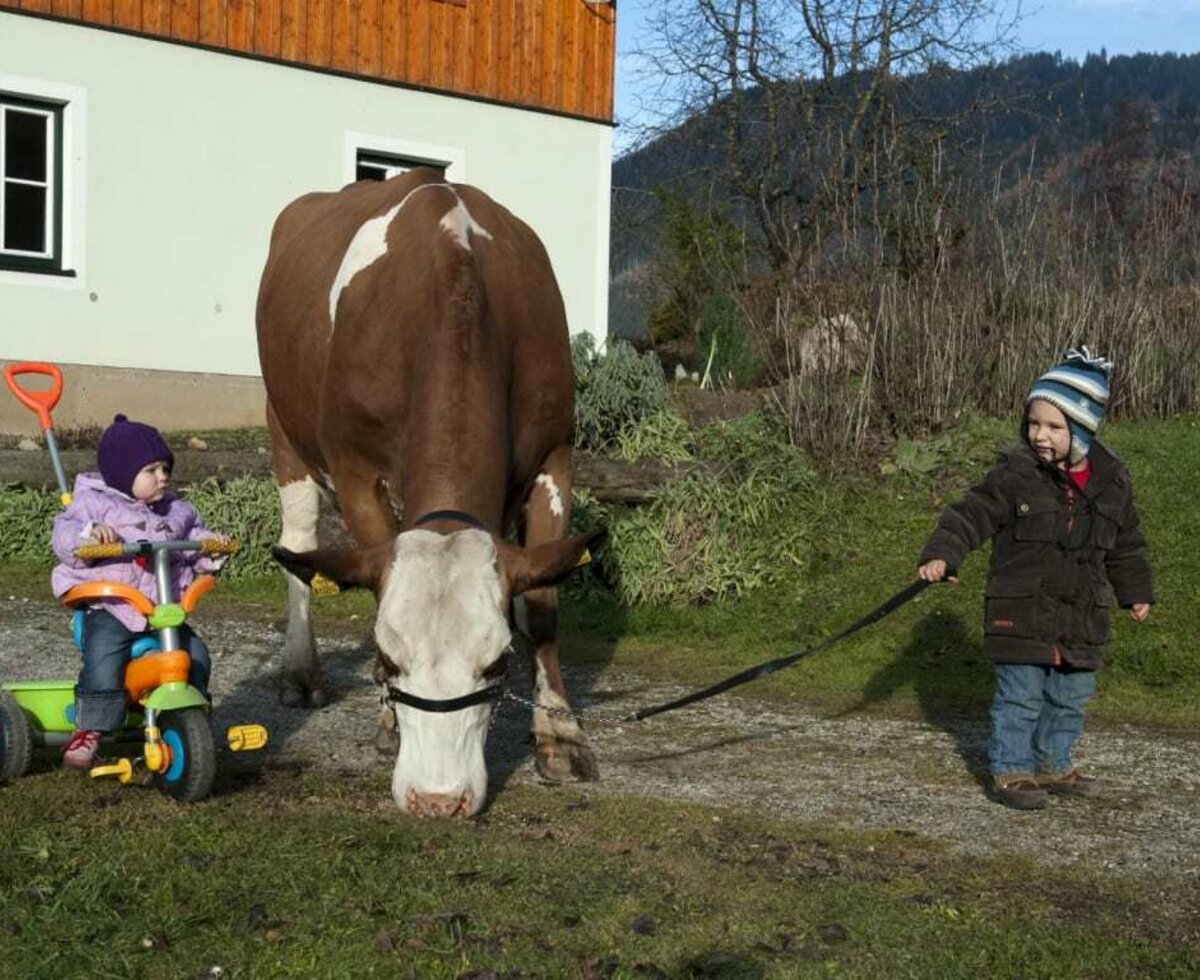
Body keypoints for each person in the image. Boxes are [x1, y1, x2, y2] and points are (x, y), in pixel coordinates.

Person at [916, 348, 1153, 810]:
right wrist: (944, 554)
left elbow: (1127, 544)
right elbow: (971, 515)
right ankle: (1012, 770)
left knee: (1070, 697)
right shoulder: (1015, 475)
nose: (1039, 435)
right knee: (1021, 697)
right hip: (1020, 611)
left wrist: (1136, 592)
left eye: (1053, 427)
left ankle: (1053, 763)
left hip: (1081, 616)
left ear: (1082, 430)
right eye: (1033, 423)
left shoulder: (1112, 483)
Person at [51, 414, 225, 769]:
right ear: (122, 474)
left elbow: (193, 543)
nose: (163, 476)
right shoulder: (93, 506)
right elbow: (64, 537)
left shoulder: (177, 511)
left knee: (197, 656)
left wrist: (210, 548)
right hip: (114, 608)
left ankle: (191, 716)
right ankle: (91, 728)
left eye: (165, 468)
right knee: (104, 661)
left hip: (163, 610)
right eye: (151, 470)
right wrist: (90, 534)